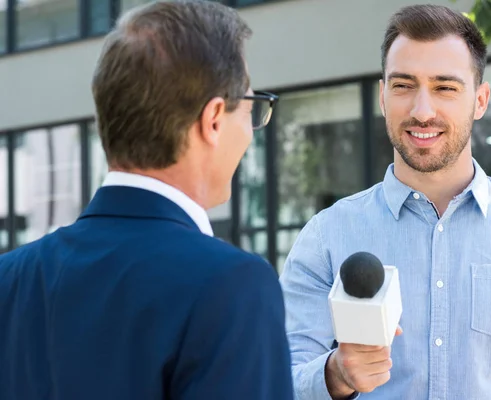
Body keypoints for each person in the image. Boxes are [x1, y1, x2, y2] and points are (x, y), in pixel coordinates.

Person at [279, 4, 491, 399]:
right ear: (382, 97)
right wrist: (335, 375)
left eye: (445, 87)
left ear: (480, 101)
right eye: (403, 85)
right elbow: (278, 381)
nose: (422, 110)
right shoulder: (326, 238)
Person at [0, 1, 293, 399]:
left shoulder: (10, 278)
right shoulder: (232, 286)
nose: (251, 130)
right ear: (213, 119)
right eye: (251, 107)